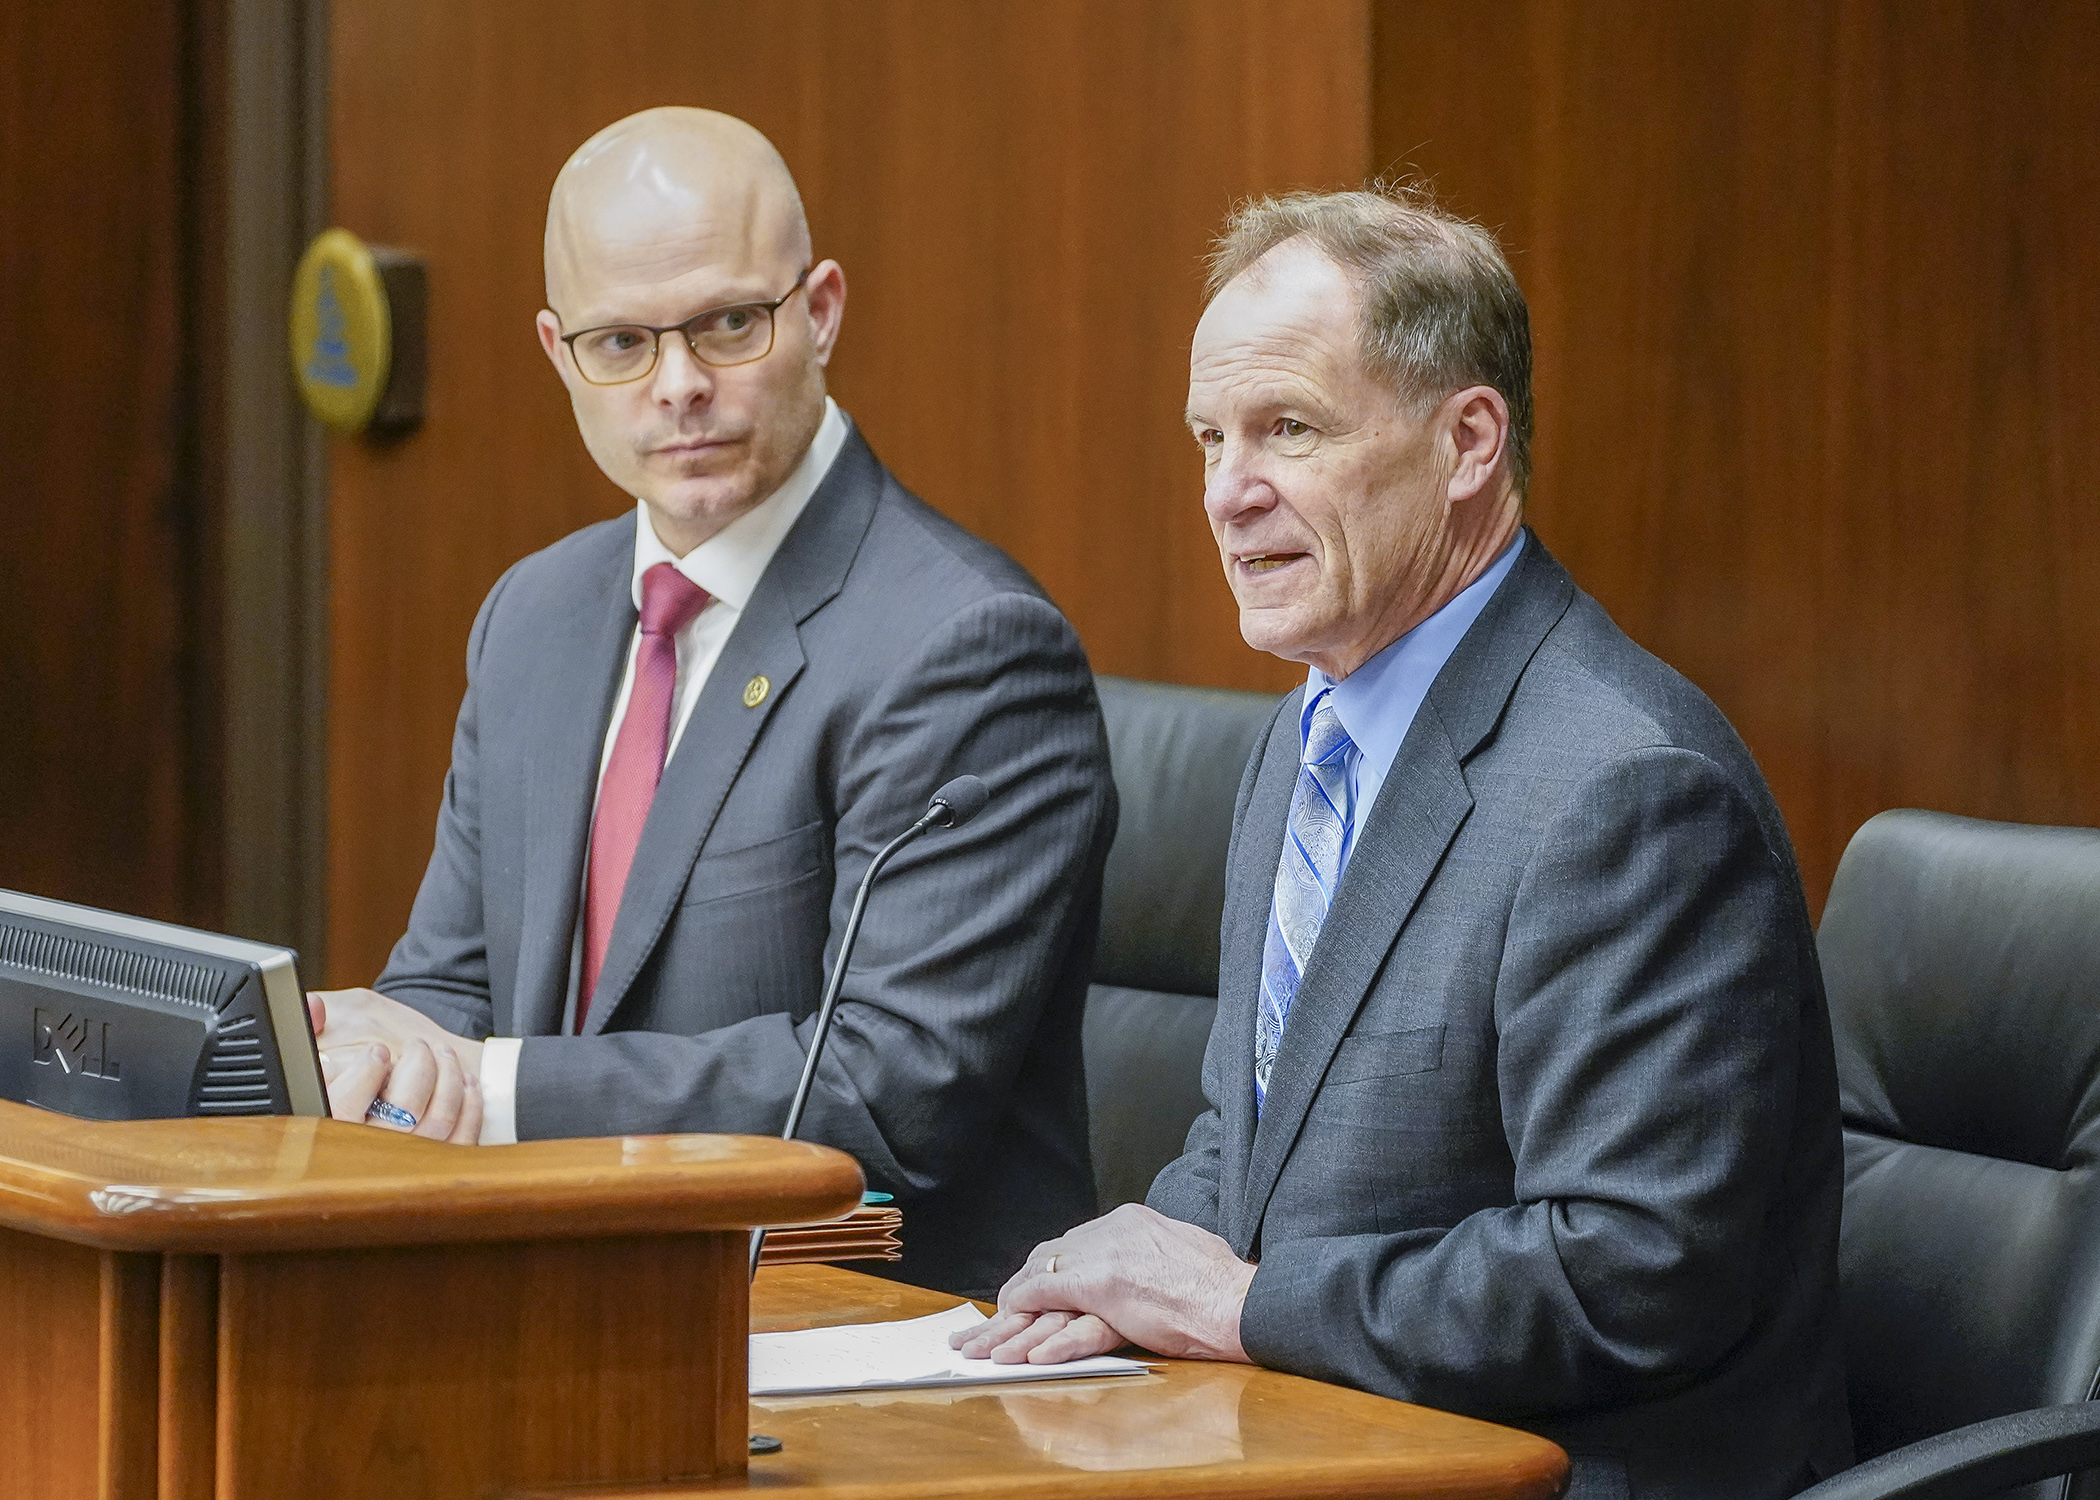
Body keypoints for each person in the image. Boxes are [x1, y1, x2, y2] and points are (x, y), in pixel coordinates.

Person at [955, 187, 1852, 1498]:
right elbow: (1249, 1144)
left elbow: (1632, 1275)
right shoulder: (1307, 734)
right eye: (1209, 438)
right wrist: (1118, 1279)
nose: (1227, 494)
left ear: (1467, 440)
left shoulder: (1629, 789)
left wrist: (1237, 1305)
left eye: (1288, 432)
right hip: (1309, 1442)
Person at [310, 107, 1117, 1298]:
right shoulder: (533, 616)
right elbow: (450, 988)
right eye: (622, 343)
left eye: (730, 325)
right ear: (557, 353)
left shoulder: (967, 647)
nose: (679, 386)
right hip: (556, 1299)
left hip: (861, 1350)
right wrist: (386, 1046)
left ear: (823, 310)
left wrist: (488, 1087)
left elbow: (879, 1099)